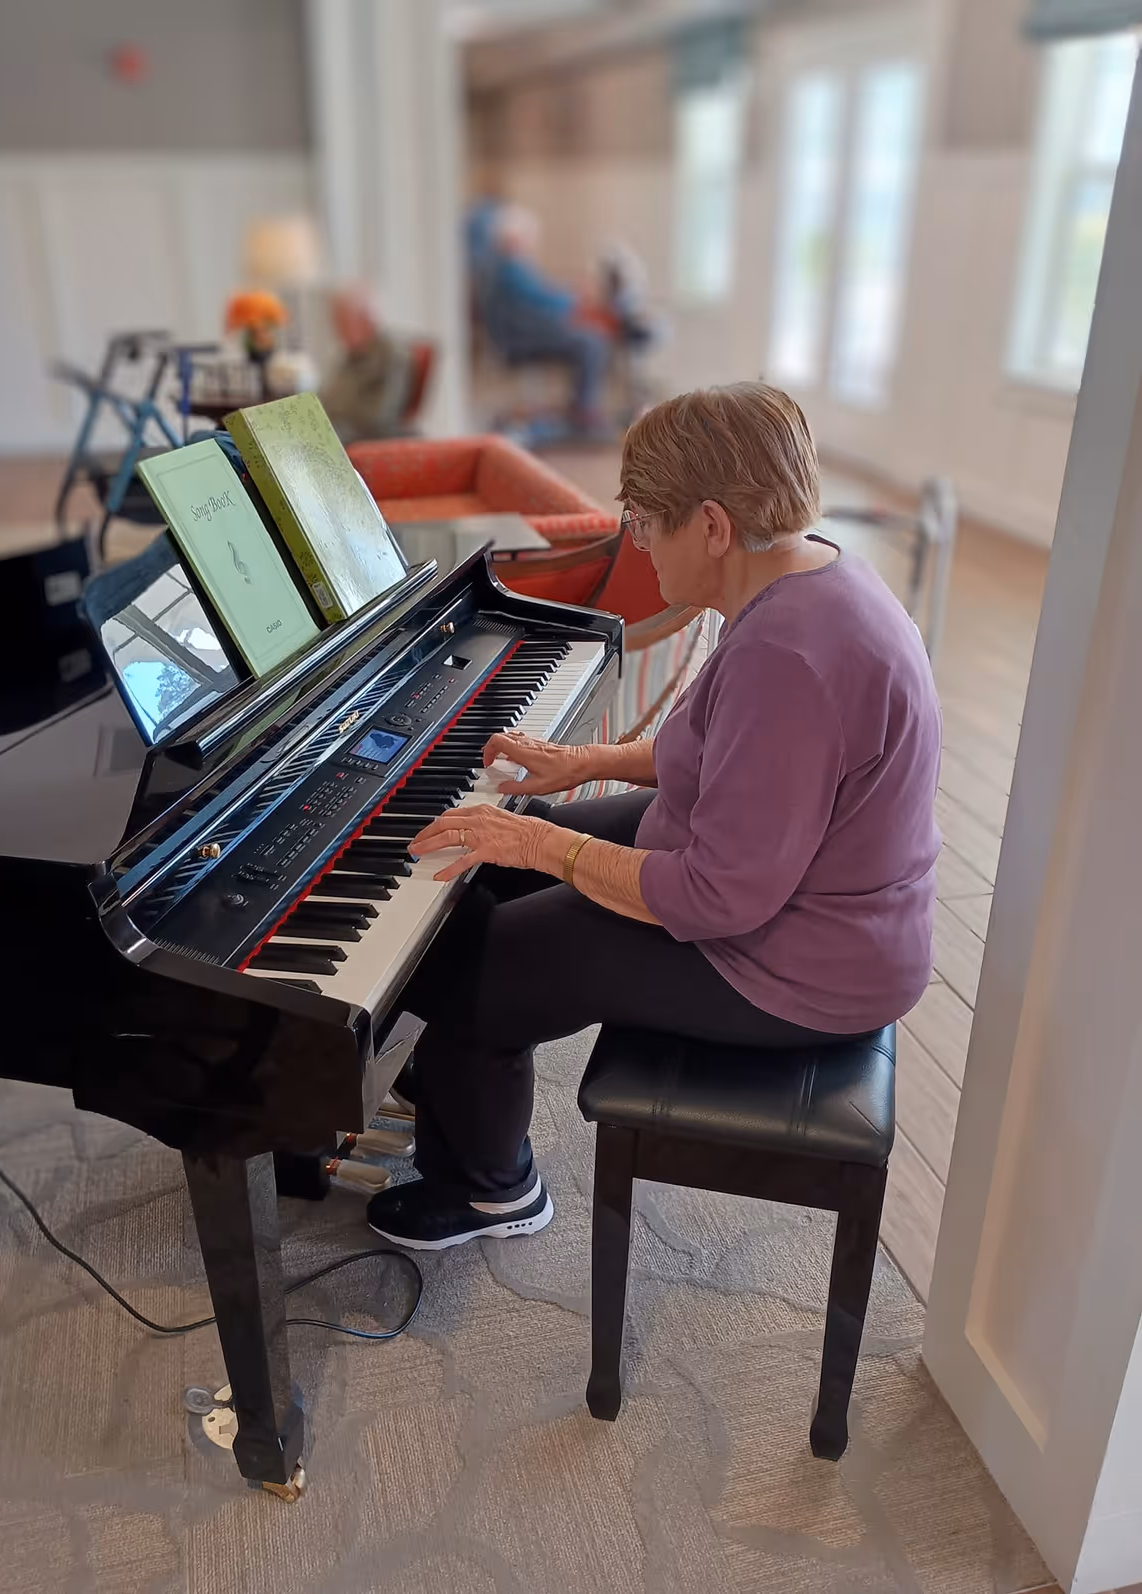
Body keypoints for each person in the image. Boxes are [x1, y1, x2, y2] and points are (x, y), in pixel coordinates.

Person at [366, 383, 942, 1251]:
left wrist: (540, 835)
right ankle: (455, 1071)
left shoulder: (790, 653)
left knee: (481, 958)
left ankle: (489, 1188)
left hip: (802, 959)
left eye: (641, 520)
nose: (636, 540)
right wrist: (584, 764)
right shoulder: (807, 573)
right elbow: (719, 749)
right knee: (486, 867)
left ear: (710, 525)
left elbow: (717, 898)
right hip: (788, 885)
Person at [481, 205, 609, 434]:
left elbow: (539, 296)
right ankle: (582, 412)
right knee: (590, 342)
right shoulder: (509, 267)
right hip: (519, 340)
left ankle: (579, 408)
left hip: (522, 334)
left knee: (588, 338)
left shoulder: (506, 266)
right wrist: (576, 296)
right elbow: (543, 299)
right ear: (514, 238)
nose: (532, 243)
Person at [316, 287, 413, 444]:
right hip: (339, 432)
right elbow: (328, 400)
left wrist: (336, 420)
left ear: (365, 319)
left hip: (370, 441)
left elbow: (380, 416)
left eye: (342, 322)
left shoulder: (391, 354)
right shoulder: (351, 354)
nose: (336, 330)